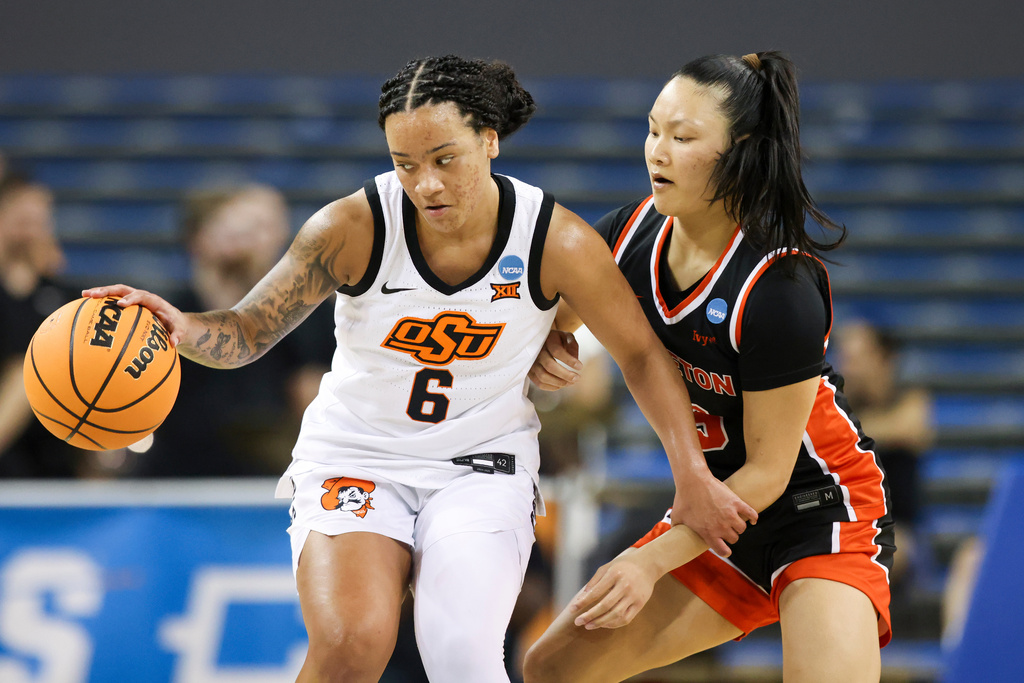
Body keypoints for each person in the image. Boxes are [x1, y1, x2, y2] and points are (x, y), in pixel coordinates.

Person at [84, 55, 755, 683]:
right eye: (405, 163)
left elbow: (640, 353)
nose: (425, 183)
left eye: (444, 158)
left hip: (479, 463)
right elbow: (249, 330)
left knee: (462, 652)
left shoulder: (555, 240)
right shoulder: (350, 227)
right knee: (351, 645)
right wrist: (181, 328)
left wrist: (690, 473)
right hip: (356, 455)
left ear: (490, 140)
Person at [524, 52, 894, 683]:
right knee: (553, 668)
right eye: (653, 129)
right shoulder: (628, 233)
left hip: (814, 506)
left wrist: (648, 562)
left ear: (741, 152)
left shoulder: (779, 285)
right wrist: (541, 342)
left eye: (683, 136)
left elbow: (770, 473)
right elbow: (547, 317)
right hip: (714, 509)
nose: (656, 151)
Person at [136, 184, 336, 477]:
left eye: (263, 230)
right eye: (238, 231)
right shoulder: (167, 314)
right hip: (174, 477)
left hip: (266, 476)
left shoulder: (303, 313)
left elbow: (314, 397)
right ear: (198, 237)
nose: (251, 242)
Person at [833, 319, 932, 617]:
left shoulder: (911, 398)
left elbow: (911, 428)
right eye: (842, 357)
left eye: (855, 358)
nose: (844, 366)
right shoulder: (838, 402)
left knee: (885, 548)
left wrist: (849, 433)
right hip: (848, 522)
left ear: (884, 358)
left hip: (901, 529)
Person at [0, 174, 83, 477]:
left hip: (53, 469)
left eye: (38, 219)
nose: (29, 229)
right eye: (21, 218)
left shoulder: (66, 299)